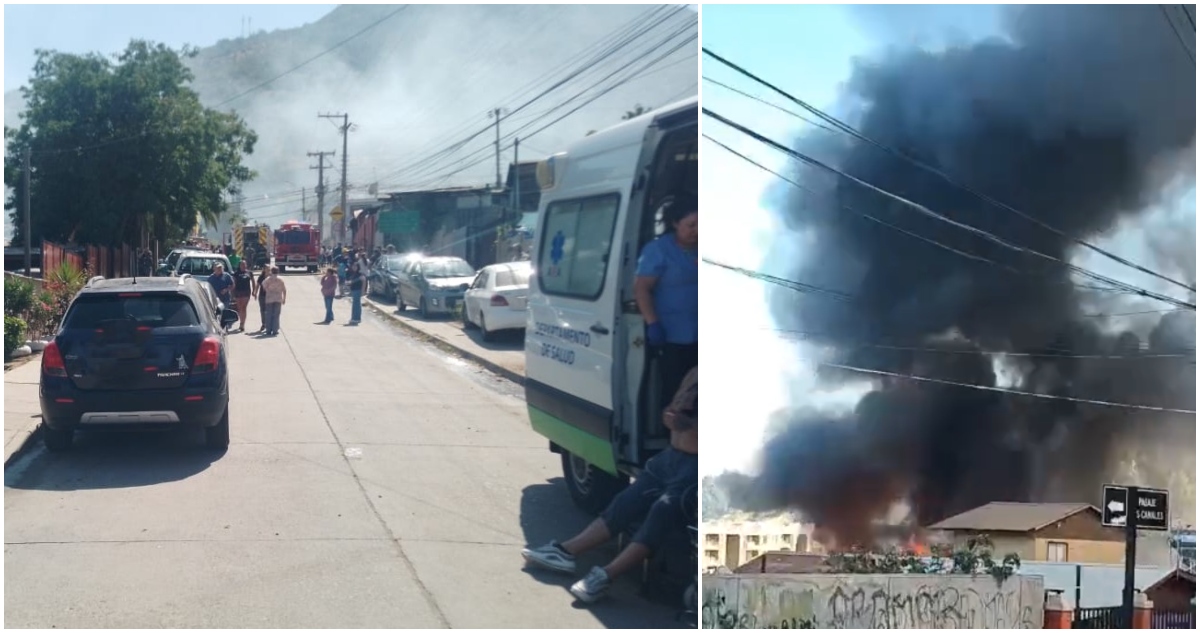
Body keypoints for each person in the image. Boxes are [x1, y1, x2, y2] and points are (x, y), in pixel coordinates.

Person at [522, 367, 698, 603]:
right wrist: (672, 417)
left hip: (696, 467)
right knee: (625, 502)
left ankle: (605, 575)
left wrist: (688, 423)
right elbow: (670, 412)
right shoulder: (695, 372)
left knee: (661, 512)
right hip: (669, 458)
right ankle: (565, 552)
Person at [634, 194, 698, 407]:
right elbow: (642, 289)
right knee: (677, 393)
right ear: (675, 223)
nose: (697, 231)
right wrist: (653, 323)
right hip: (673, 337)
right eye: (691, 225)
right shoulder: (658, 250)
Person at [260, 266, 287, 336]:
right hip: (278, 298)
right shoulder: (281, 279)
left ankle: (268, 330)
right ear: (278, 271)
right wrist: (284, 298)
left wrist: (268, 290)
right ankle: (275, 330)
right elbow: (284, 290)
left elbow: (263, 286)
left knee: (268, 314)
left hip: (269, 299)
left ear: (271, 271)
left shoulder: (268, 279)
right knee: (276, 315)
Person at [231, 260, 255, 332]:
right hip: (238, 292)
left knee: (244, 307)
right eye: (242, 264)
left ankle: (242, 324)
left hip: (246, 292)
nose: (243, 266)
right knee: (239, 308)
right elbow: (233, 283)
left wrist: (254, 290)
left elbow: (253, 281)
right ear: (239, 265)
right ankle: (241, 320)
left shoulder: (249, 273)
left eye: (244, 264)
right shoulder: (236, 273)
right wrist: (232, 293)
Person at [255, 265, 271, 333]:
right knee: (262, 310)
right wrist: (255, 293)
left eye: (269, 268)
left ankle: (268, 324)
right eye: (267, 268)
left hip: (270, 296)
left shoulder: (271, 277)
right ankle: (263, 324)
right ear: (264, 269)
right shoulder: (261, 277)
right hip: (262, 296)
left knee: (268, 310)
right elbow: (257, 285)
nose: (268, 270)